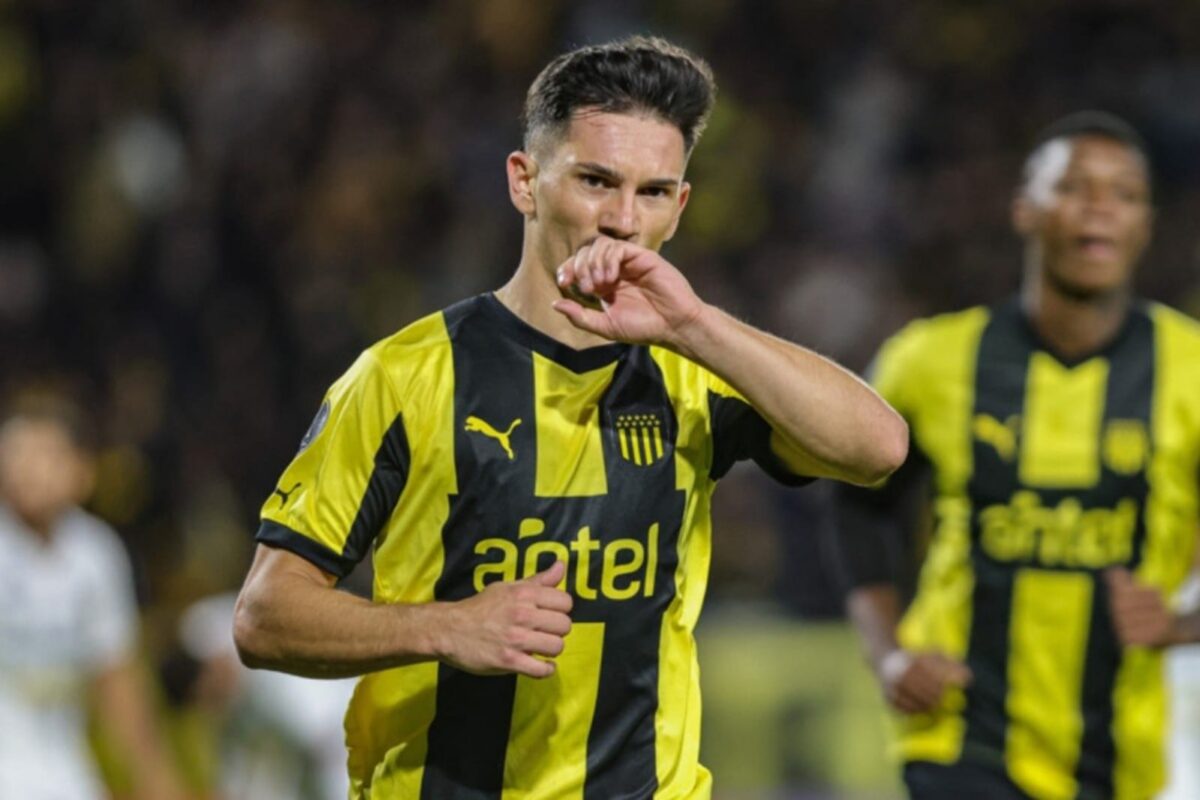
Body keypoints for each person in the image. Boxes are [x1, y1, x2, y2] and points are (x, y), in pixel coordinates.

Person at [233, 34, 908, 799]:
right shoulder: (405, 376)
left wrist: (693, 325)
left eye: (654, 192)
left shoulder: (696, 368)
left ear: (679, 208)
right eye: (595, 180)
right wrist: (445, 627)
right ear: (525, 182)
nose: (623, 219)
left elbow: (879, 447)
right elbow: (264, 616)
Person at [831, 111, 1200, 800]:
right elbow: (857, 507)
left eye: (1122, 193)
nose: (1099, 208)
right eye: (1075, 187)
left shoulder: (1191, 369)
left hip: (1121, 753)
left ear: (1146, 223)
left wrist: (1184, 624)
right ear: (1024, 209)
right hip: (960, 733)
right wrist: (888, 655)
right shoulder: (931, 360)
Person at [0, 390, 187, 800]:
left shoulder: (94, 555)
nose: (26, 469)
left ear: (81, 471)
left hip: (62, 767)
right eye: (16, 455)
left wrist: (155, 779)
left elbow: (117, 679)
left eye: (44, 455)